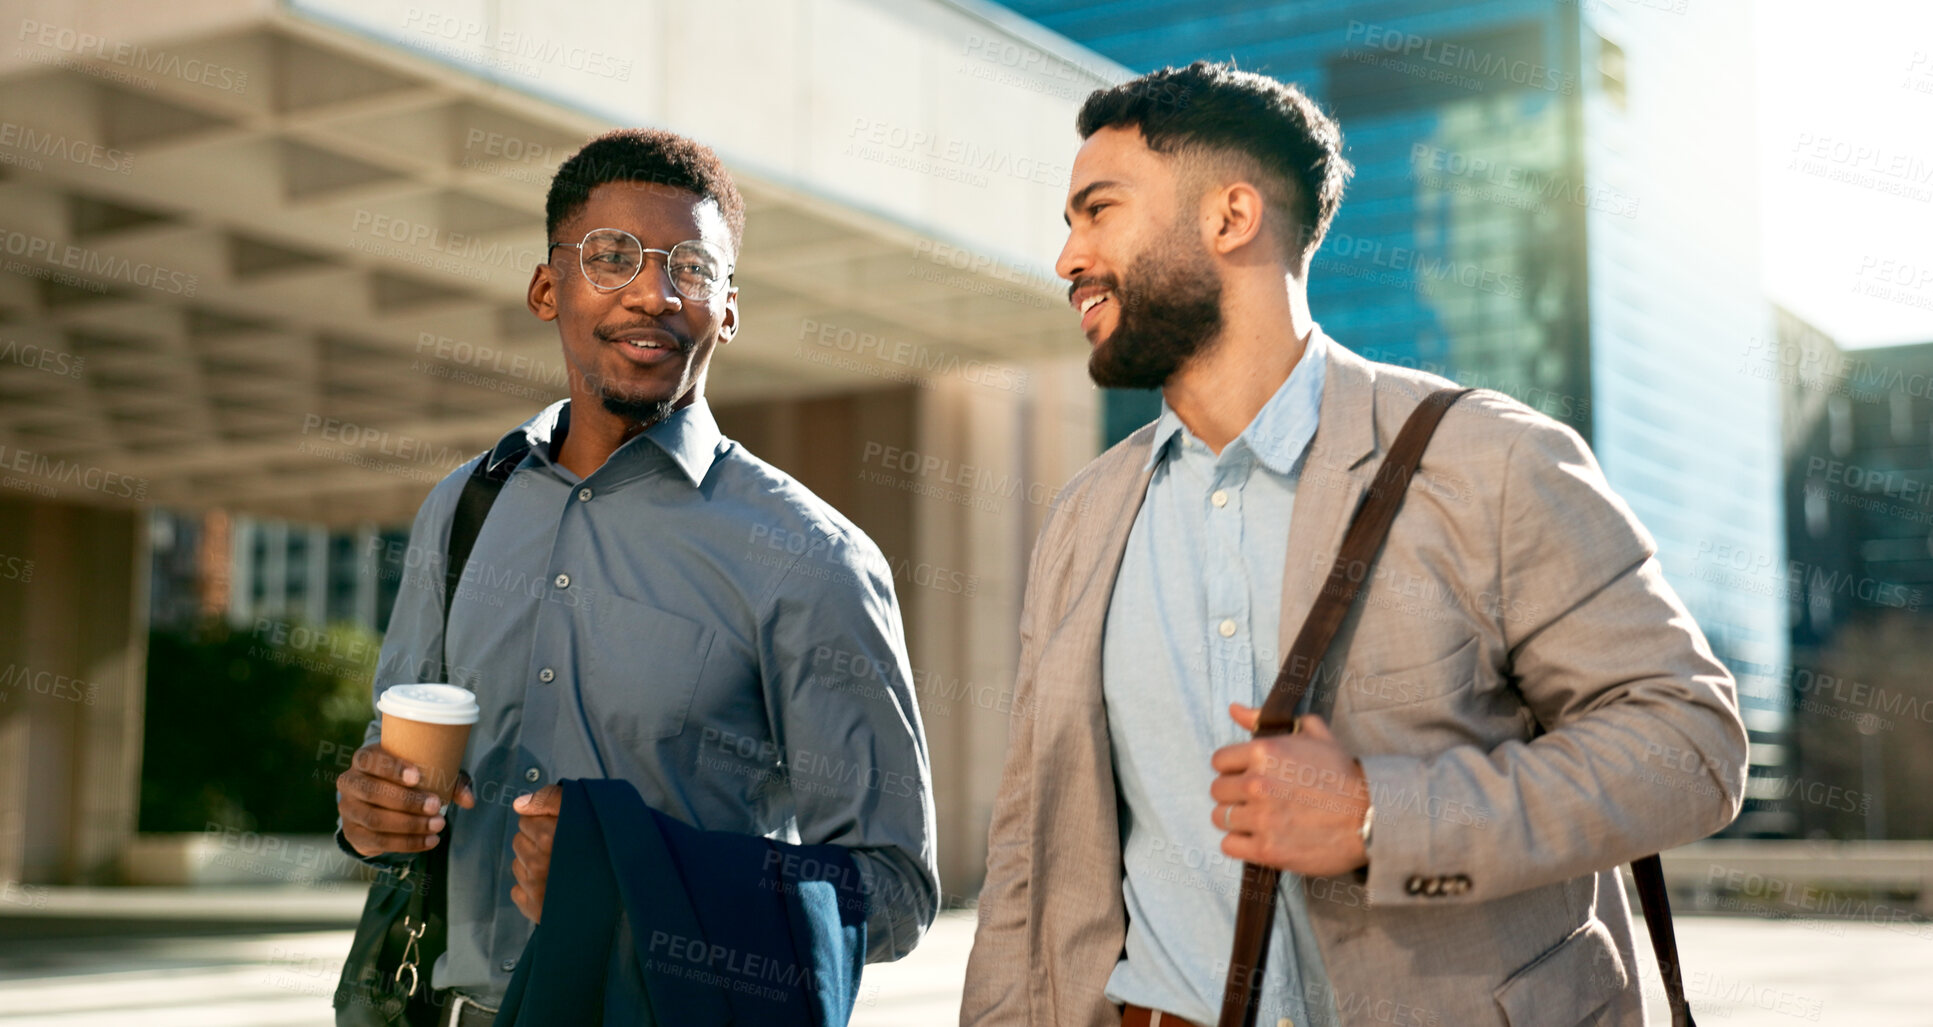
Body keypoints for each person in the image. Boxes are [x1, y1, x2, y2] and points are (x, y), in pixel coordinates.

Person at [961, 61, 1748, 1027]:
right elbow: (1028, 854)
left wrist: (1380, 813)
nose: (1067, 256)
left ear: (1229, 216)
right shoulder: (1084, 517)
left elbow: (1689, 744)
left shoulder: (1493, 462)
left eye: (1097, 211)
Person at [332, 128, 938, 1025]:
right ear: (548, 287)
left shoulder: (812, 559)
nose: (653, 293)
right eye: (610, 257)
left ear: (728, 306)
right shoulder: (463, 505)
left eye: (691, 266)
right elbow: (394, 767)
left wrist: (625, 884)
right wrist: (366, 812)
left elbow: (890, 893)